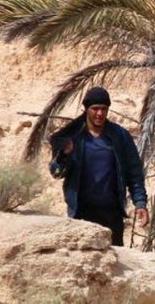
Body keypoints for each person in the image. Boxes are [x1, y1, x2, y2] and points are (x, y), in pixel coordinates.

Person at [48, 86, 148, 246]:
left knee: (114, 263)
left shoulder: (120, 136)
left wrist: (140, 203)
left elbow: (134, 172)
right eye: (95, 109)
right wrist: (64, 155)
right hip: (81, 213)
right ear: (86, 109)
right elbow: (56, 172)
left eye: (104, 109)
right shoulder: (74, 138)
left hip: (112, 213)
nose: (100, 114)